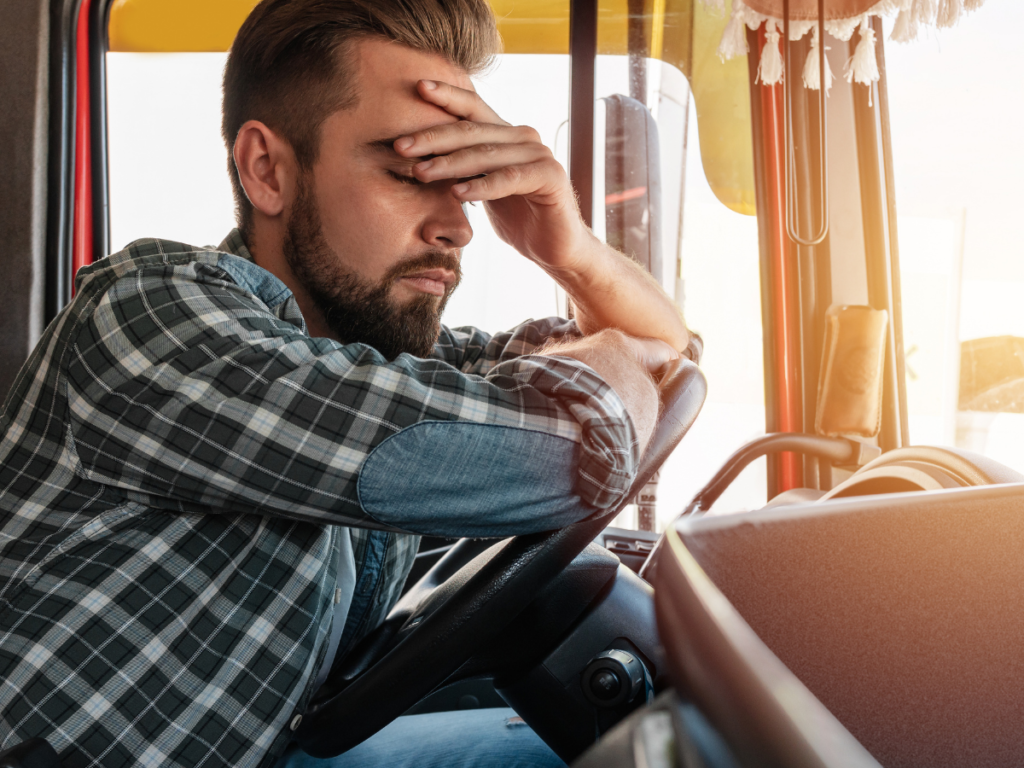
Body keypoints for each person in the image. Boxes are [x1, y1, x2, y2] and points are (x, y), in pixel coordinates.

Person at [0, 0, 694, 766]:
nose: (460, 225)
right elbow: (568, 450)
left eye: (465, 179)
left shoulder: (367, 360)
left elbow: (665, 361)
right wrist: (603, 383)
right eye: (412, 171)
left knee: (655, 744)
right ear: (268, 170)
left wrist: (571, 249)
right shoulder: (153, 319)